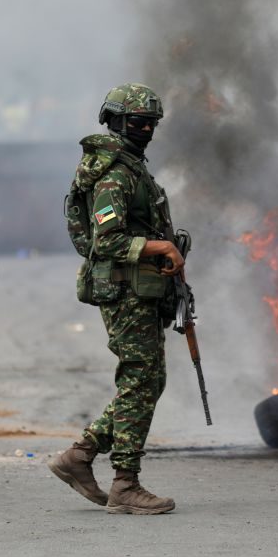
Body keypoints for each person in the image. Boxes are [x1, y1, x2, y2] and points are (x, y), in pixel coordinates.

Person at [49, 83, 184, 514]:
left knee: (149, 380)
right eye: (136, 122)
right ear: (114, 122)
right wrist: (159, 248)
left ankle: (81, 455)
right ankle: (125, 483)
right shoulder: (113, 173)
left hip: (141, 288)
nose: (145, 129)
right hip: (125, 290)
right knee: (139, 378)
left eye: (151, 123)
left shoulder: (131, 167)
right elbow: (105, 241)